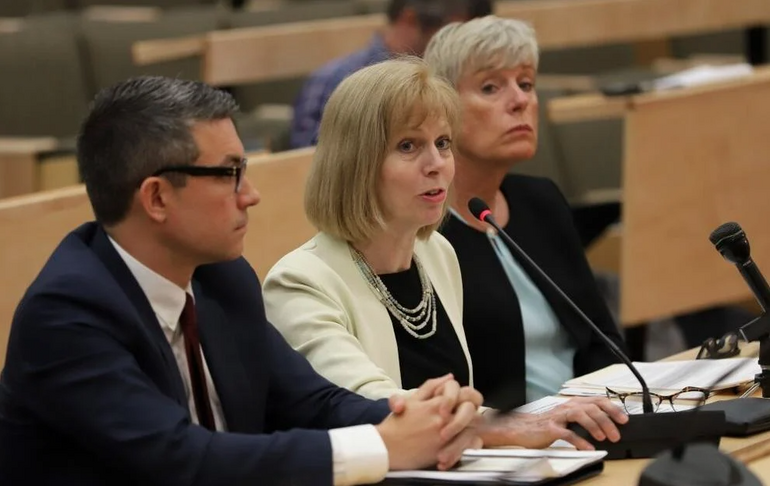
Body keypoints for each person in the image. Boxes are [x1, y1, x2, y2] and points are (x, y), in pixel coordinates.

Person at [0, 76, 484, 485]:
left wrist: (420, 414)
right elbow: (182, 459)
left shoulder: (222, 281)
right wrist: (380, 445)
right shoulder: (67, 313)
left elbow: (311, 401)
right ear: (157, 198)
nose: (250, 195)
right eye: (231, 173)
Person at [264, 57, 628, 451]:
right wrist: (506, 428)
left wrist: (528, 421)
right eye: (409, 146)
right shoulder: (300, 282)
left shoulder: (436, 253)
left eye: (443, 144)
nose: (436, 165)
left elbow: (461, 404)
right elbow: (370, 404)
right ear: (357, 164)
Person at [423, 16, 628, 408]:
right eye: (490, 87)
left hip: (591, 422)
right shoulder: (423, 232)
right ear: (442, 108)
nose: (520, 100)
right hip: (505, 446)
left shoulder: (541, 201)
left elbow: (602, 340)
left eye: (526, 83)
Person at [289, 0, 493, 149]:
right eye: (453, 32)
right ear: (410, 19)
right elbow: (312, 166)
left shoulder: (448, 78)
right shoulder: (335, 80)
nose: (461, 45)